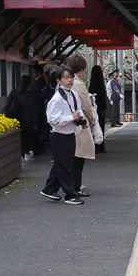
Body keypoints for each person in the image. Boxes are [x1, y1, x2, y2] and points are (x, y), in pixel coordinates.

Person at [41, 68, 88, 205]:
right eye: (66, 77)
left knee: (63, 163)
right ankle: (70, 194)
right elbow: (52, 120)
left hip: (70, 133)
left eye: (71, 77)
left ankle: (49, 189)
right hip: (59, 135)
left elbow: (78, 110)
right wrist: (71, 117)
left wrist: (81, 120)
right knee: (65, 165)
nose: (70, 80)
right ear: (58, 81)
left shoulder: (73, 94)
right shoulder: (56, 99)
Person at [67, 54, 104, 190]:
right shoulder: (78, 84)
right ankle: (75, 187)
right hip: (80, 123)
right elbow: (86, 105)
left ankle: (70, 186)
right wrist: (92, 118)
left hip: (68, 123)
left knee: (72, 157)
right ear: (81, 69)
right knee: (79, 156)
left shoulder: (66, 83)